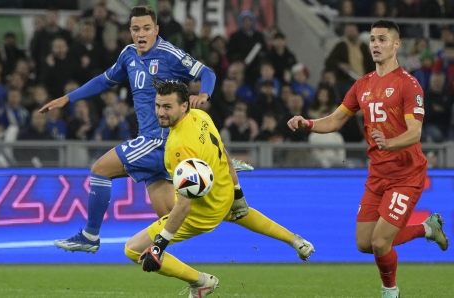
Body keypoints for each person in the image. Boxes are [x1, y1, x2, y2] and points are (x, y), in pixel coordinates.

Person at [40, 6, 252, 254]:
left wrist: (204, 93)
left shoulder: (168, 54)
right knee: (169, 219)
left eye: (146, 28)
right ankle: (199, 273)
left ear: (156, 30)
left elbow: (207, 72)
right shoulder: (128, 54)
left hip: (158, 139)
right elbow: (103, 81)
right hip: (154, 145)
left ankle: (89, 236)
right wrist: (68, 98)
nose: (141, 34)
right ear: (130, 31)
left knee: (99, 170)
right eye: (135, 29)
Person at [287, 20, 449, 298]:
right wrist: (309, 124)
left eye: (382, 39)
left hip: (406, 175)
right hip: (378, 175)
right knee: (365, 243)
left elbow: (415, 133)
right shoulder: (362, 85)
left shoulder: (408, 85)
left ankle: (390, 291)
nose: (375, 44)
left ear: (396, 44)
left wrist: (391, 143)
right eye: (373, 39)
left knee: (379, 241)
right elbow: (336, 120)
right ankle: (427, 229)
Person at [125, 79, 314, 297]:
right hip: (224, 193)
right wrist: (238, 193)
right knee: (239, 213)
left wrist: (159, 245)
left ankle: (202, 282)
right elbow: (224, 153)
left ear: (184, 105)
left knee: (133, 248)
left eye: (167, 107)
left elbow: (185, 205)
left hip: (202, 213)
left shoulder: (179, 146)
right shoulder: (201, 116)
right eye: (158, 105)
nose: (160, 112)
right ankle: (296, 240)